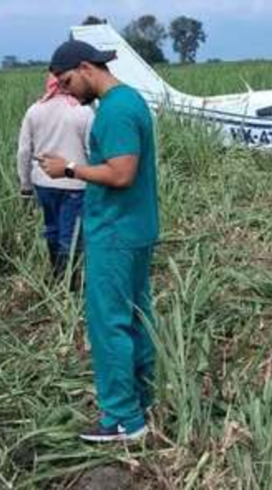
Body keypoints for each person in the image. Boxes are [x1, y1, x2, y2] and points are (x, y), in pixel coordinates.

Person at [40, 40, 159, 443]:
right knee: (136, 317)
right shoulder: (129, 101)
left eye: (67, 81)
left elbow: (122, 173)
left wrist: (69, 167)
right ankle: (142, 401)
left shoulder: (115, 110)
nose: (66, 90)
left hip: (115, 233)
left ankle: (123, 419)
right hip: (134, 229)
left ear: (87, 68)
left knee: (109, 325)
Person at [17, 74, 94, 282]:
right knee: (71, 234)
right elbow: (91, 150)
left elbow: (24, 151)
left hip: (43, 182)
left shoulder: (34, 110)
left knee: (52, 228)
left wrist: (25, 185)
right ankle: (69, 283)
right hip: (75, 183)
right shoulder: (83, 111)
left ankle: (57, 276)